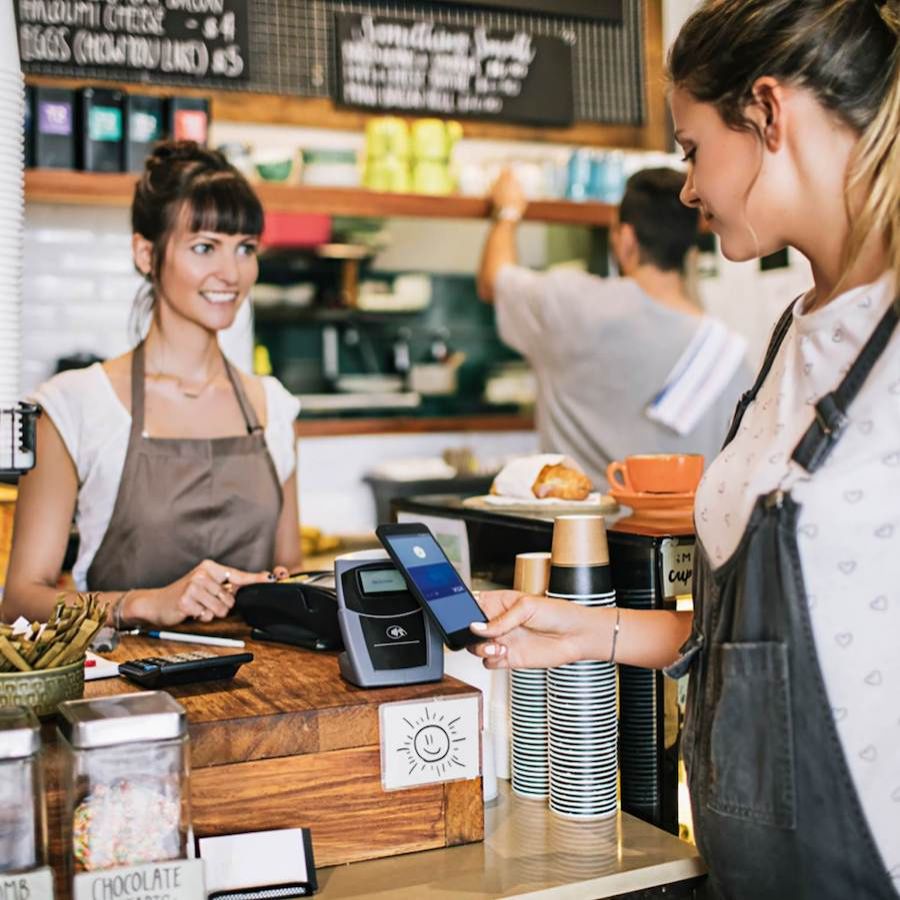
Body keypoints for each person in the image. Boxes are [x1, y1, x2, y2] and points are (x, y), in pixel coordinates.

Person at [469, 1, 900, 898]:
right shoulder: (791, 334)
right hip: (756, 866)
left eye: (692, 149)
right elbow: (764, 637)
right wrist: (596, 631)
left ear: (769, 116)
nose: (691, 189)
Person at [4, 141, 302, 628]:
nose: (231, 273)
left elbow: (292, 574)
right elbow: (20, 600)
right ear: (146, 253)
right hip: (121, 693)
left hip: (262, 689)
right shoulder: (71, 406)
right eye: (204, 247)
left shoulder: (274, 406)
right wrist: (145, 604)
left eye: (245, 248)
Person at [477, 166, 751, 486]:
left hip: (579, 533)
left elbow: (493, 280)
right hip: (685, 535)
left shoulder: (571, 305)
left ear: (626, 240)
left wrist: (507, 211)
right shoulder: (727, 354)